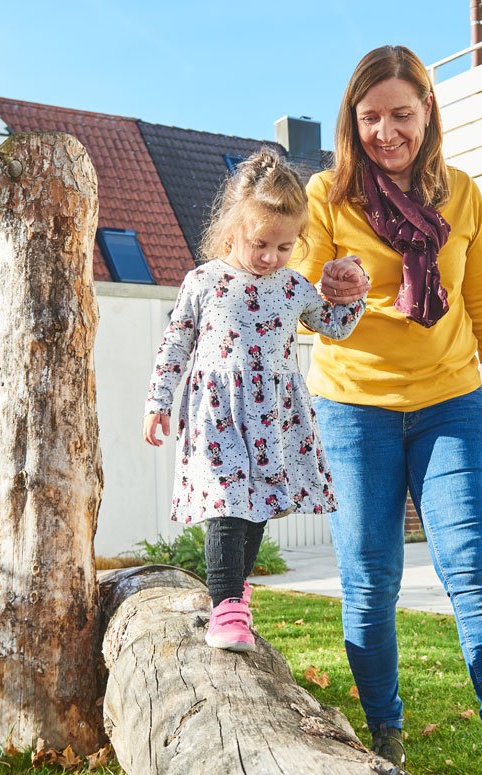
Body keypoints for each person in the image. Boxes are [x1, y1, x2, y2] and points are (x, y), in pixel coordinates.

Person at [293, 45, 482, 775]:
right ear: (352, 120)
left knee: (474, 568)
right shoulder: (326, 196)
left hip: (450, 403)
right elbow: (306, 305)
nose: (384, 131)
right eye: (368, 117)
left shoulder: (461, 194)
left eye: (400, 114)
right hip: (352, 408)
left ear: (427, 113)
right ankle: (386, 736)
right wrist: (330, 291)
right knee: (370, 578)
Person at [144, 148, 366, 652]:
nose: (271, 257)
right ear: (232, 230)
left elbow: (334, 326)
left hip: (273, 418)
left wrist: (355, 291)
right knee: (225, 506)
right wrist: (157, 400)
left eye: (285, 247)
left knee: (257, 506)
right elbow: (176, 342)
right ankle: (225, 609)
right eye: (260, 243)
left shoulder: (292, 287)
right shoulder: (204, 281)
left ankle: (235, 598)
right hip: (218, 414)